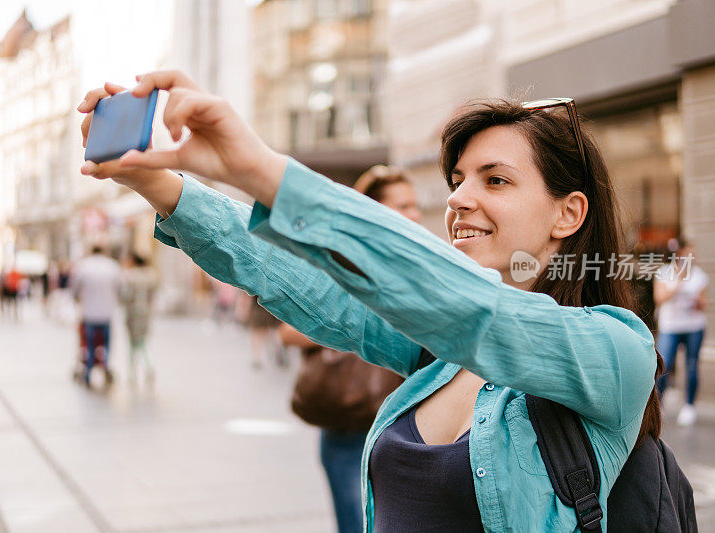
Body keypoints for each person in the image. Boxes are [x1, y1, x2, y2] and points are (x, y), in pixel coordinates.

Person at [78, 74, 660, 531]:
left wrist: (259, 168)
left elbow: (480, 313)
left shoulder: (616, 350)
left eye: (495, 180)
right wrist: (154, 179)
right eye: (458, 179)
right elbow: (299, 281)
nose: (459, 198)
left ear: (569, 213)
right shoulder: (436, 352)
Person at [279, 164, 420, 533]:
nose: (414, 214)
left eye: (414, 205)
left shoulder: (421, 264)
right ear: (374, 209)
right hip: (348, 423)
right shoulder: (339, 260)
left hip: (407, 425)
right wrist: (355, 326)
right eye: (402, 206)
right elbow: (287, 333)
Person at [654, 238, 708, 426]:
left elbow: (703, 303)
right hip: (670, 326)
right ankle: (658, 404)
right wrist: (678, 280)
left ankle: (689, 406)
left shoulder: (699, 275)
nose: (692, 257)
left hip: (694, 326)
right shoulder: (664, 273)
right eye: (688, 253)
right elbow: (659, 297)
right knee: (664, 364)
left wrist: (698, 303)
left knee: (692, 364)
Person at [70, 245, 122, 387]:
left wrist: (77, 299)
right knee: (106, 345)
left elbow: (74, 290)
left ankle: (88, 372)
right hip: (107, 314)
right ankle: (105, 366)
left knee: (90, 345)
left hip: (89, 314)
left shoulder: (83, 266)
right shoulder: (112, 266)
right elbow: (120, 289)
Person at [120, 252, 158, 384]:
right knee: (142, 342)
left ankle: (132, 373)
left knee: (132, 343)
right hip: (145, 313)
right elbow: (152, 295)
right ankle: (148, 366)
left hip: (132, 313)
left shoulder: (130, 276)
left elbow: (125, 296)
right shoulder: (150, 276)